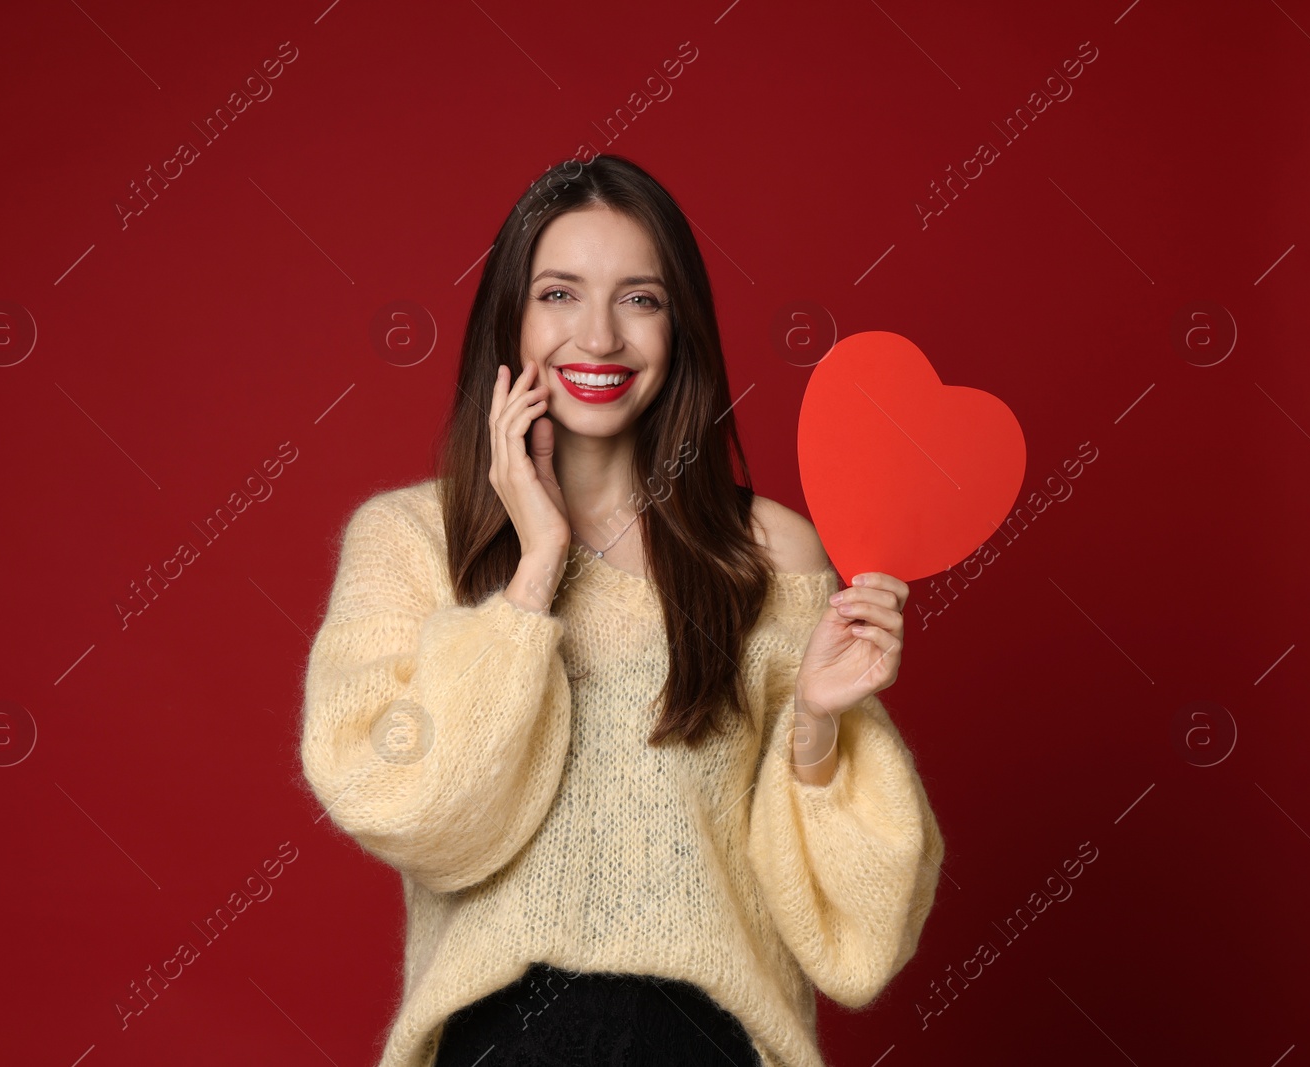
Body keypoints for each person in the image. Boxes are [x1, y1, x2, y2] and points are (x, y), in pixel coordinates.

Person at [299, 154, 944, 1067]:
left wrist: (814, 731)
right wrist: (534, 575)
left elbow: (861, 932)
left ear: (679, 327)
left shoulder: (770, 556)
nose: (597, 337)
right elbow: (410, 808)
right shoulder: (409, 541)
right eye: (559, 294)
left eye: (639, 299)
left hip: (702, 1042)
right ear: (510, 320)